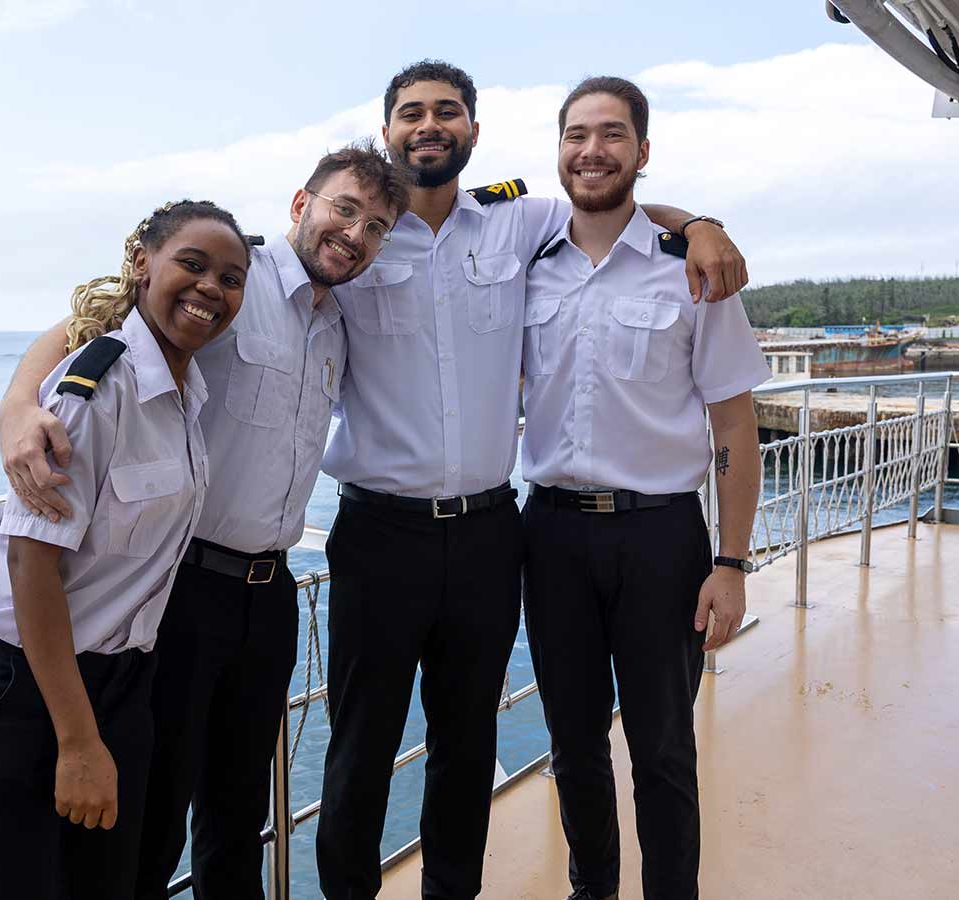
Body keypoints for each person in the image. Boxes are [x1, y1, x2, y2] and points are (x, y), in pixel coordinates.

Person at [314, 60, 750, 900]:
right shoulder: (356, 240)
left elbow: (616, 211)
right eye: (412, 113)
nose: (430, 125)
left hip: (516, 533)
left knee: (488, 742)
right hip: (411, 534)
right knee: (369, 745)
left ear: (476, 132)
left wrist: (701, 223)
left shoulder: (518, 226)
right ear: (387, 133)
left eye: (448, 112)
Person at [0, 140, 413, 898]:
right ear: (301, 205)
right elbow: (82, 328)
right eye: (343, 210)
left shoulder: (339, 324)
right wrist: (19, 407)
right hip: (185, 589)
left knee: (239, 807)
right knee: (155, 812)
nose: (355, 234)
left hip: (271, 589)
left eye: (376, 225)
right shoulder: (231, 281)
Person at [0, 200, 251, 900]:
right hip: (15, 688)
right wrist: (76, 743)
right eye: (191, 265)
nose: (210, 289)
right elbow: (30, 565)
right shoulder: (95, 388)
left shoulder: (187, 394)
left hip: (121, 686)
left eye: (231, 279)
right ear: (141, 266)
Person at [519, 77, 768, 900]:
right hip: (550, 533)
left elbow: (734, 426)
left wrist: (730, 562)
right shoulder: (527, 263)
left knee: (663, 746)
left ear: (643, 152)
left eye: (613, 135)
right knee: (573, 743)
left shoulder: (692, 273)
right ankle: (593, 890)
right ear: (558, 148)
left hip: (660, 537)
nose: (592, 151)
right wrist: (695, 217)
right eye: (577, 135)